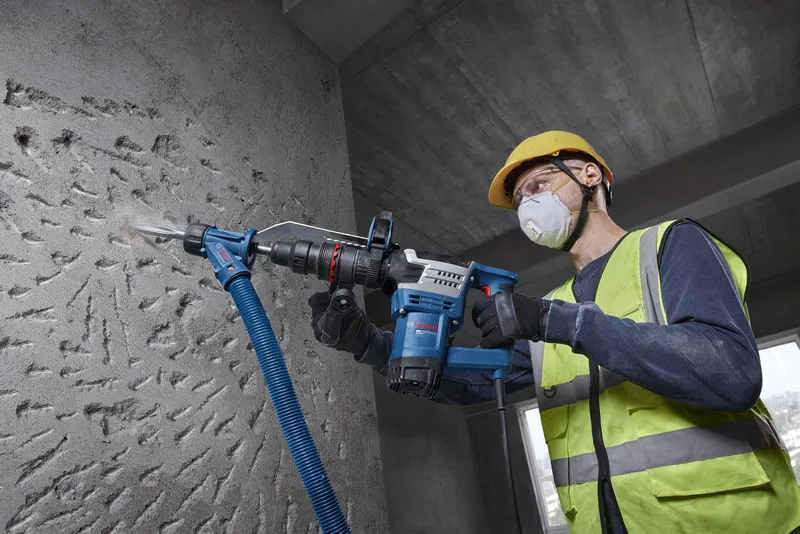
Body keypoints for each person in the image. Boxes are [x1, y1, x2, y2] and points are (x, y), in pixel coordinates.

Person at [308, 131, 800, 533]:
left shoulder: (670, 246)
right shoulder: (553, 306)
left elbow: (729, 371)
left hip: (733, 523)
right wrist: (371, 345)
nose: (528, 206)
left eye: (539, 185)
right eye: (520, 199)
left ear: (590, 177)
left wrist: (554, 323)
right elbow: (478, 381)